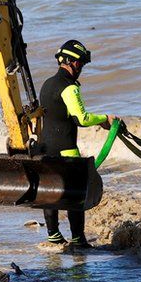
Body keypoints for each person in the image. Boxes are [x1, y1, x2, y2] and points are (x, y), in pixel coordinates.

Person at [37, 40, 119, 248]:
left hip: (45, 148)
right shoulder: (70, 88)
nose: (81, 68)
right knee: (76, 194)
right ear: (71, 63)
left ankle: (53, 235)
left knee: (50, 191)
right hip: (66, 148)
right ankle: (78, 239)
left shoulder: (47, 84)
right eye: (80, 64)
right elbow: (81, 118)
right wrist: (104, 119)